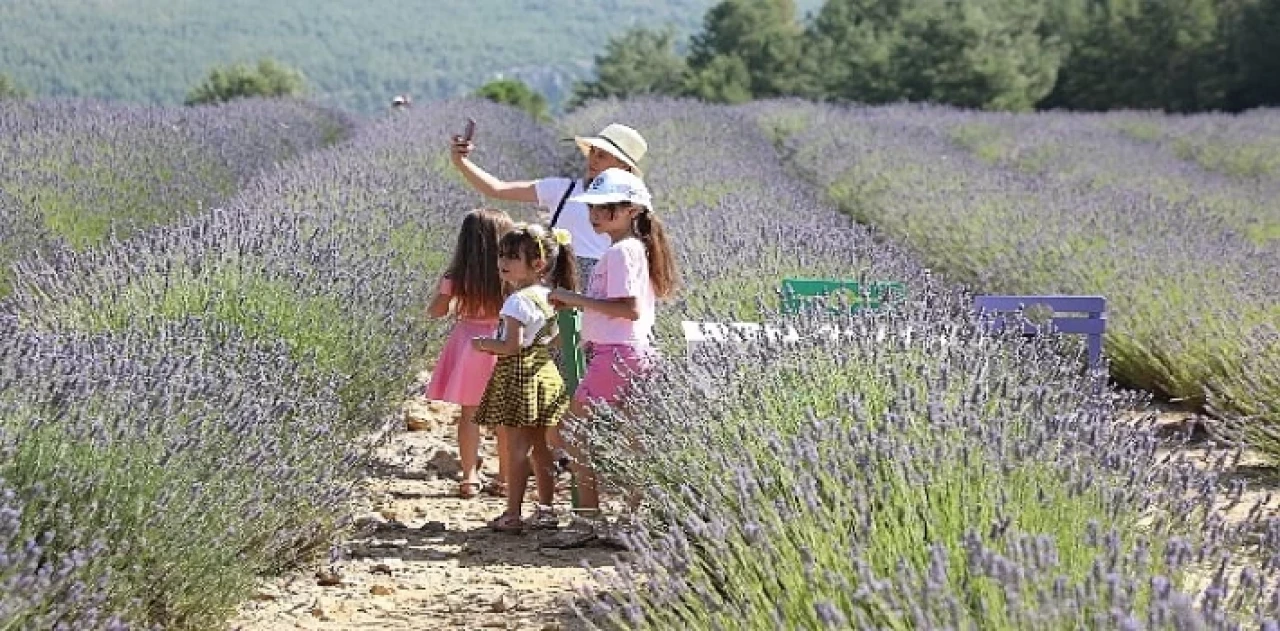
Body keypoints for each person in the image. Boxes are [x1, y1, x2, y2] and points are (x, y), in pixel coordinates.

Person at [544, 168, 678, 547]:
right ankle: (632, 522)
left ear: (631, 209)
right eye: (595, 206)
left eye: (607, 207)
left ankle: (588, 520)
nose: (596, 213)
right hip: (632, 352)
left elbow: (627, 309)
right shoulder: (634, 250)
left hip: (618, 355)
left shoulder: (621, 252)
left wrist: (572, 300)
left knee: (570, 431)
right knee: (633, 440)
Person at [472, 223, 580, 533]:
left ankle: (512, 514)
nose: (503, 262)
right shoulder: (550, 296)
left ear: (538, 263)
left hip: (518, 377)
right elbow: (558, 339)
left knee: (516, 448)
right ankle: (546, 510)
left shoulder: (517, 302)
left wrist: (482, 344)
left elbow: (510, 345)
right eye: (501, 255)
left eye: (512, 257)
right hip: (544, 373)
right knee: (541, 447)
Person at [448, 122, 648, 286]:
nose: (592, 159)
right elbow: (497, 189)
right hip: (558, 281)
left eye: (602, 155)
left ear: (623, 165)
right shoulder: (563, 189)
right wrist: (461, 162)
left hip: (605, 286)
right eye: (593, 152)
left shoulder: (634, 206)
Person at [424, 208, 514, 499]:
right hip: (502, 340)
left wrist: (447, 297)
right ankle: (504, 478)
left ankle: (469, 478)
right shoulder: (510, 276)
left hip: (468, 343)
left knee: (470, 414)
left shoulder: (457, 275)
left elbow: (436, 311)